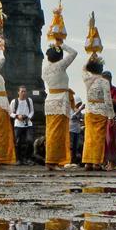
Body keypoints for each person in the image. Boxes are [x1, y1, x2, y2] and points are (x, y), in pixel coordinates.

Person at [42, 42, 77, 170]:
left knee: (51, 132)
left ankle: (54, 160)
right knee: (57, 134)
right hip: (60, 102)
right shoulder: (60, 66)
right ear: (60, 57)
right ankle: (51, 161)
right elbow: (74, 53)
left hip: (50, 101)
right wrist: (61, 44)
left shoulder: (45, 69)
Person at [81, 56, 115, 170]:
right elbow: (108, 100)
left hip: (89, 110)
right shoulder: (104, 82)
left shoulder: (87, 79)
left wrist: (90, 59)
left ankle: (87, 162)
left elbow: (83, 69)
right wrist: (111, 116)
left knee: (89, 137)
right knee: (99, 139)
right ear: (101, 69)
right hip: (101, 111)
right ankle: (96, 163)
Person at [9, 85, 34, 165]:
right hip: (18, 124)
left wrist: (28, 117)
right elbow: (10, 113)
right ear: (18, 92)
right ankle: (18, 159)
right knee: (17, 142)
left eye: (24, 91)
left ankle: (28, 158)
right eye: (22, 91)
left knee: (30, 141)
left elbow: (32, 111)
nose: (23, 93)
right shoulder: (14, 101)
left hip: (28, 124)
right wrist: (17, 116)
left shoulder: (29, 100)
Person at [105, 71, 116, 170]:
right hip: (102, 116)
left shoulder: (115, 90)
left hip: (112, 116)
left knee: (111, 140)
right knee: (104, 141)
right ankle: (107, 161)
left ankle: (113, 162)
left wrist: (106, 99)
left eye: (107, 79)